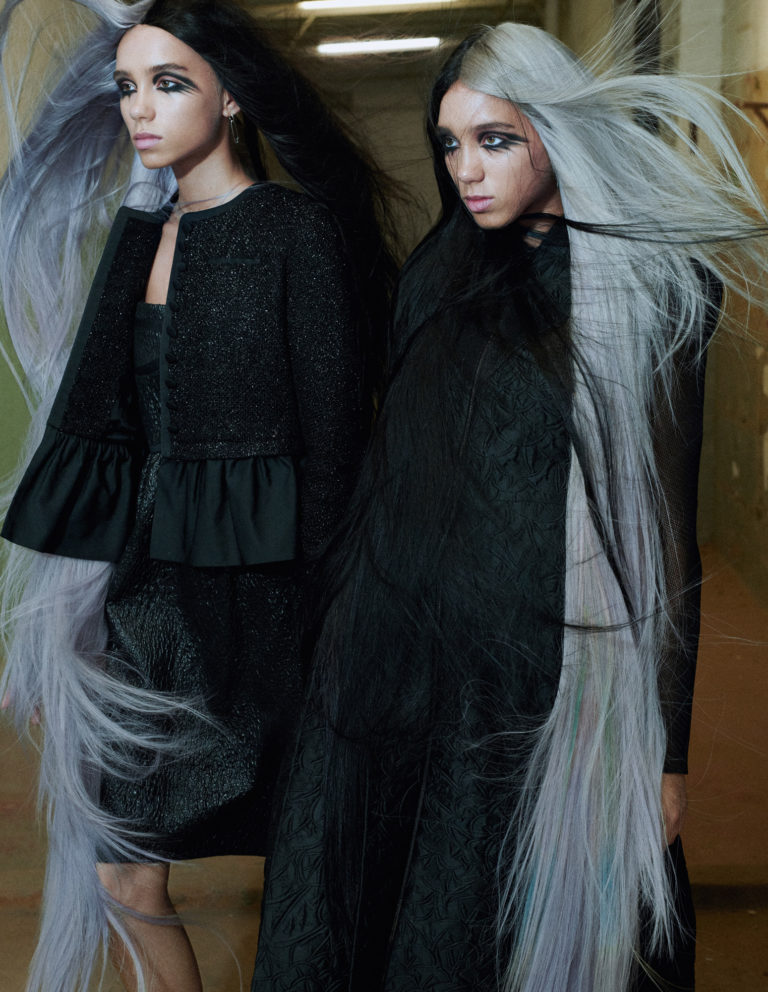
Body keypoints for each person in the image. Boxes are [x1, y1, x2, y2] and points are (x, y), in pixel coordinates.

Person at [250, 15, 768, 992]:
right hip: (404, 664)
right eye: (451, 144)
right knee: (397, 929)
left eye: (494, 140)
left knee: (525, 940)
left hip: (545, 685)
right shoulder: (444, 268)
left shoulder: (651, 286)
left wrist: (665, 750)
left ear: (557, 130)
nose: (466, 171)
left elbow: (662, 530)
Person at [0, 1, 396, 990]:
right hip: (150, 598)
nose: (140, 108)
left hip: (271, 610)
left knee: (311, 860)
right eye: (127, 86)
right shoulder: (141, 233)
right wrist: (60, 630)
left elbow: (338, 446)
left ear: (229, 96)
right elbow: (103, 428)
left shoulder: (294, 230)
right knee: (123, 873)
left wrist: (340, 627)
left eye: (168, 83)